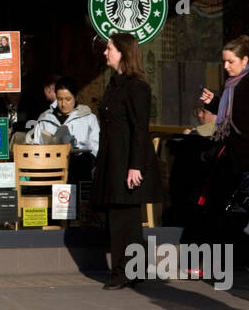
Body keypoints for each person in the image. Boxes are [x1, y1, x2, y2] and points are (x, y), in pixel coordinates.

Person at [199, 35, 249, 267]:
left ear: (245, 60)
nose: (225, 67)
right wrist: (213, 101)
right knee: (225, 209)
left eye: (230, 62)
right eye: (224, 62)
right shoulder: (232, 84)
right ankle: (227, 261)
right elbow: (230, 113)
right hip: (232, 155)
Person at [92, 33, 160, 290]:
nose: (105, 53)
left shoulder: (136, 86)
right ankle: (134, 268)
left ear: (122, 52)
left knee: (124, 218)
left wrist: (135, 166)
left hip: (127, 162)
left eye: (109, 48)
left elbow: (140, 129)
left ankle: (122, 271)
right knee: (122, 218)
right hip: (113, 160)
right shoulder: (114, 84)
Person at [29, 75, 100, 187]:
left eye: (68, 99)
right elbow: (36, 146)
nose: (63, 104)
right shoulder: (45, 119)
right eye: (60, 99)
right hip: (51, 168)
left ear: (75, 97)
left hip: (79, 169)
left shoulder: (88, 118)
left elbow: (96, 148)